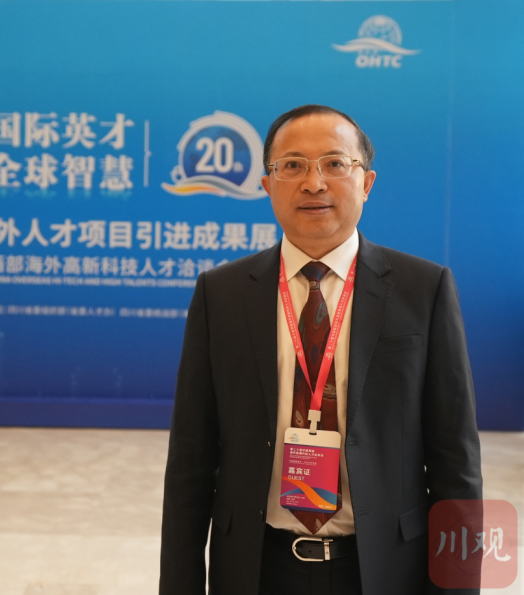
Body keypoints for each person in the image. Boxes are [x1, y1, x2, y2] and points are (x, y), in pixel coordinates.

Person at [159, 105, 482, 595]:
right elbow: (190, 462)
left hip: (385, 568)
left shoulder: (424, 289)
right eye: (292, 165)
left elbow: (455, 463)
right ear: (267, 186)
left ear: (366, 182)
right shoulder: (220, 294)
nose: (313, 183)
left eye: (335, 164)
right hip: (255, 567)